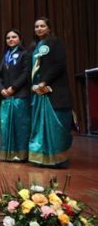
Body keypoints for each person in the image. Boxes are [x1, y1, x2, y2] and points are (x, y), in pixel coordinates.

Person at [28, 17, 73, 167]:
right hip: (39, 94)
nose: (39, 29)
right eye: (36, 26)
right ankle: (42, 158)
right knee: (41, 128)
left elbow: (59, 65)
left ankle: (57, 160)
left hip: (54, 93)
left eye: (42, 26)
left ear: (48, 28)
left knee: (55, 127)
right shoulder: (35, 46)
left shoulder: (55, 42)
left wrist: (43, 82)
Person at [0, 29, 31, 162]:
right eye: (8, 38)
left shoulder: (26, 54)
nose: (11, 39)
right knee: (5, 126)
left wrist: (13, 87)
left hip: (20, 96)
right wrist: (1, 89)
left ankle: (21, 155)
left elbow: (26, 73)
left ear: (20, 39)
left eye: (14, 37)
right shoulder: (5, 55)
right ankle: (7, 154)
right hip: (6, 96)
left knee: (20, 126)